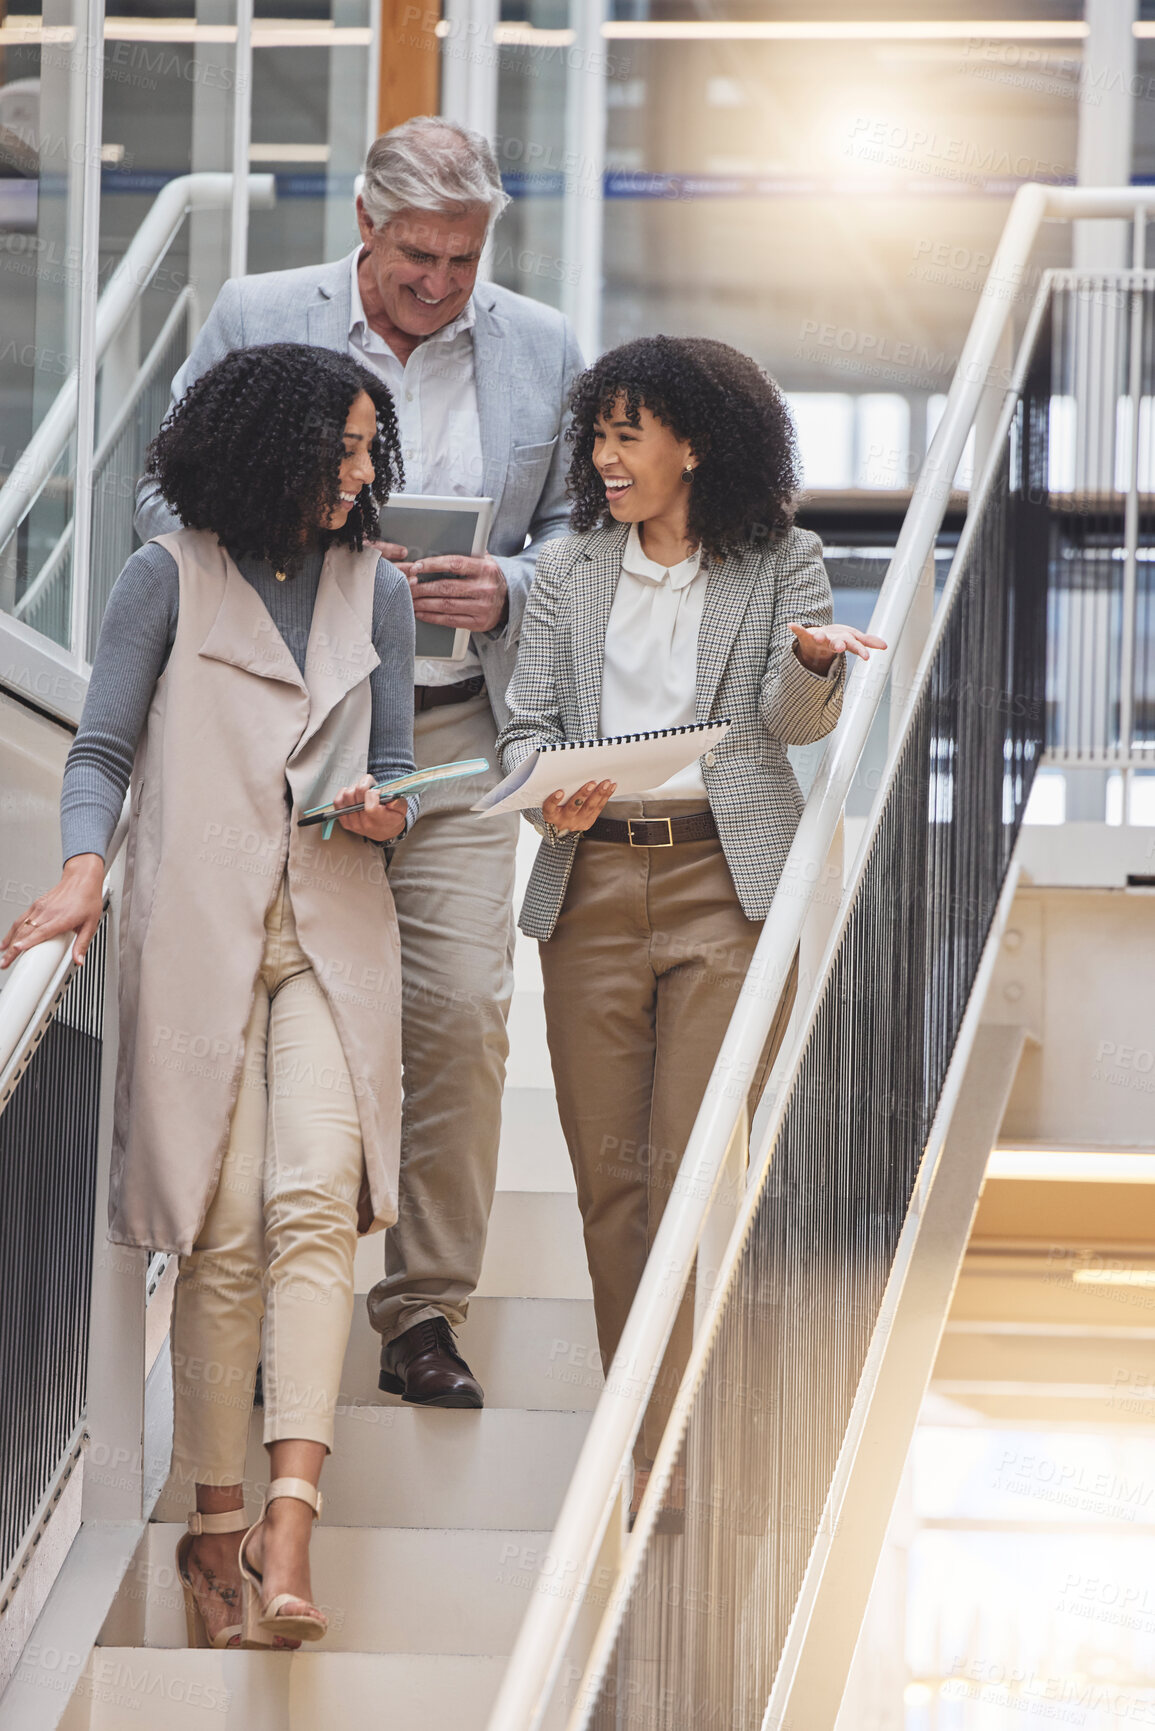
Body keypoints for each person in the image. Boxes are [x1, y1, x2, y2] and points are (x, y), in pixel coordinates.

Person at [135, 115, 583, 1409]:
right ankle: (274, 1293)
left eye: (461, 257)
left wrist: (503, 582)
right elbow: (162, 501)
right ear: (361, 226)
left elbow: (579, 531)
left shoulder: (538, 344)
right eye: (413, 257)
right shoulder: (258, 314)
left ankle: (421, 1311)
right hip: (291, 729)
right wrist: (314, 545)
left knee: (456, 1015)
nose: (439, 284)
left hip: (450, 737)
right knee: (291, 1017)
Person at [4, 343, 416, 1648]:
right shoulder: (164, 578)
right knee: (225, 1222)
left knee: (312, 1203)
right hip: (192, 937)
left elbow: (398, 773)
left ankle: (285, 1524)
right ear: (267, 450)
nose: (359, 475)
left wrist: (381, 803)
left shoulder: (380, 593)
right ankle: (211, 1518)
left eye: (368, 450)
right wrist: (80, 875)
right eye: (340, 450)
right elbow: (105, 746)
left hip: (333, 936)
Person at [497, 336, 885, 1513]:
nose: (607, 458)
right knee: (607, 1191)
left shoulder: (782, 560)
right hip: (593, 888)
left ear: (694, 444)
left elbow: (794, 723)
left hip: (727, 884)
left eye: (630, 435)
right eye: (599, 436)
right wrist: (544, 784)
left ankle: (675, 1441)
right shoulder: (565, 572)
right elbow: (526, 726)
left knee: (680, 1173)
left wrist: (815, 662)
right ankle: (653, 1443)